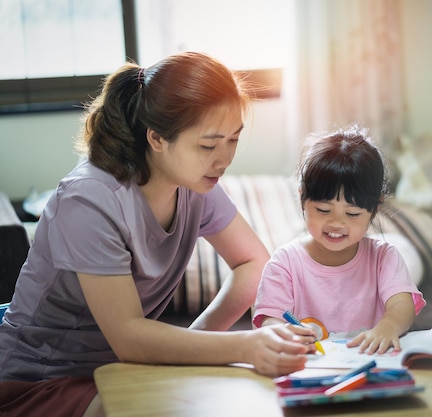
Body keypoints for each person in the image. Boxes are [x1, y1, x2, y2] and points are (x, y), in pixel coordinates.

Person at [0, 52, 315, 417]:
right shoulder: (89, 201)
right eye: (208, 145)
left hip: (121, 367)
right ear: (157, 139)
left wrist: (196, 344)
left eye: (233, 139)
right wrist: (245, 346)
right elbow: (129, 336)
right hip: (41, 378)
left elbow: (254, 263)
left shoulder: (197, 186)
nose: (224, 159)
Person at [253, 125, 426, 355]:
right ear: (302, 198)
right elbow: (270, 321)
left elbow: (402, 306)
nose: (337, 223)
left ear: (374, 209)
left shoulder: (384, 257)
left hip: (369, 366)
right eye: (323, 210)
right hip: (310, 370)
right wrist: (285, 334)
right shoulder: (284, 262)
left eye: (352, 214)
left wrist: (388, 327)